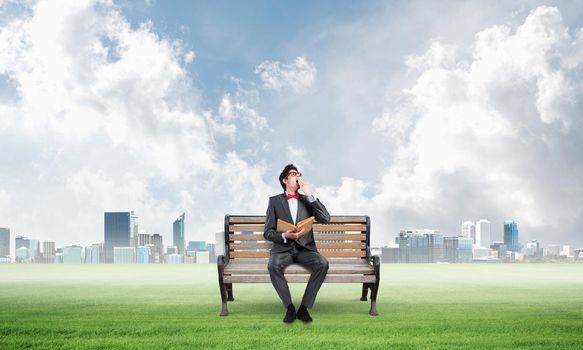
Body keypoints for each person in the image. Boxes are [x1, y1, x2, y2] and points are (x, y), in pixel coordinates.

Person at [263, 164, 331, 323]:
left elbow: (326, 219)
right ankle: (289, 308)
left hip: (305, 249)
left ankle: (304, 308)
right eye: (294, 174)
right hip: (283, 249)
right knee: (273, 266)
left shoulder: (308, 199)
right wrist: (285, 235)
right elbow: (268, 232)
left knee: (323, 264)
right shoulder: (274, 201)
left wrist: (310, 195)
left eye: (299, 174)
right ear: (285, 180)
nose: (298, 176)